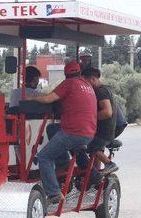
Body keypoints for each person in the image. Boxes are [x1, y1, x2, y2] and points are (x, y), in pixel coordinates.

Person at [30, 61, 97, 204]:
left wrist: (32, 98)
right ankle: (64, 163)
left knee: (44, 157)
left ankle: (54, 193)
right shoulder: (87, 85)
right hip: (89, 133)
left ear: (66, 74)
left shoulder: (69, 83)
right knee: (52, 129)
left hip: (73, 132)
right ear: (79, 72)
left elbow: (48, 98)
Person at [82, 67, 118, 175]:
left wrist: (89, 117)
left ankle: (109, 164)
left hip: (103, 132)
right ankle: (95, 175)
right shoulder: (106, 89)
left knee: (87, 145)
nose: (85, 85)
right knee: (95, 149)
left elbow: (107, 112)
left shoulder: (100, 91)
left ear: (93, 79)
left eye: (86, 82)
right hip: (106, 131)